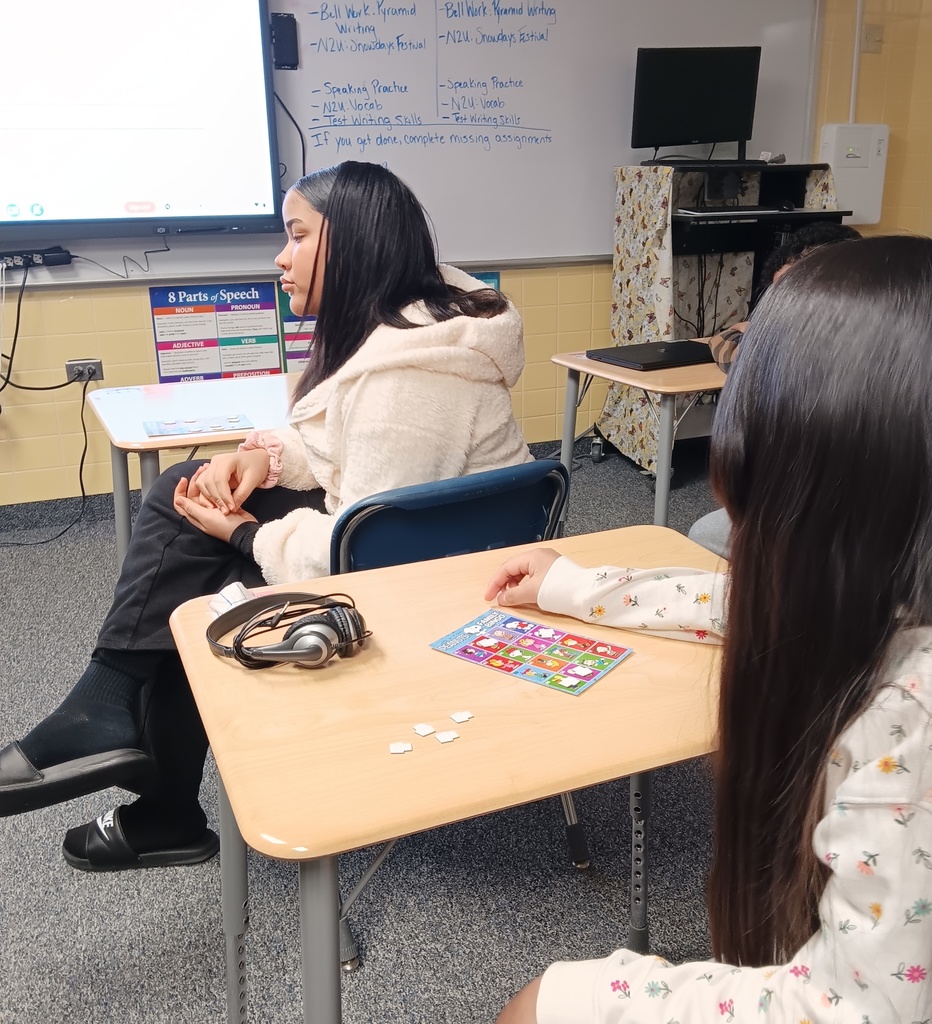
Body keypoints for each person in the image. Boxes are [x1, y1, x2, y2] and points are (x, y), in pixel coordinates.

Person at [486, 236, 932, 1024]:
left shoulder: (921, 709)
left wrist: (578, 999)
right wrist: (571, 584)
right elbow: (748, 602)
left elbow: (851, 1010)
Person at [0, 161, 533, 870]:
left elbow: (365, 551)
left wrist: (248, 534)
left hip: (437, 588)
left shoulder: (408, 384)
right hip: (411, 544)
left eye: (297, 236)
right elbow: (340, 447)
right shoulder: (401, 331)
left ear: (353, 243)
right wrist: (265, 458)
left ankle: (136, 758)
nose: (281, 258)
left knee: (201, 577)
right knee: (187, 499)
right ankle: (124, 734)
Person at [688, 220, 862, 558]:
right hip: (809, 497)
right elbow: (728, 342)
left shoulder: (832, 354)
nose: (782, 306)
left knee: (705, 535)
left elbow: (734, 347)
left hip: (843, 510)